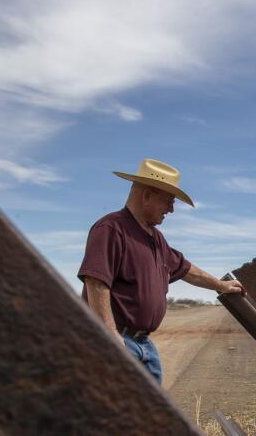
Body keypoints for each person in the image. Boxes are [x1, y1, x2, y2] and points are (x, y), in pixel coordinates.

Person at [78, 158, 244, 382]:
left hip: (143, 343)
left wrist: (220, 285)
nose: (172, 210)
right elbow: (96, 282)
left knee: (149, 411)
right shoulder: (111, 229)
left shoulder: (156, 238)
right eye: (169, 201)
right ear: (147, 195)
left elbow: (185, 269)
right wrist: (109, 333)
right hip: (117, 339)